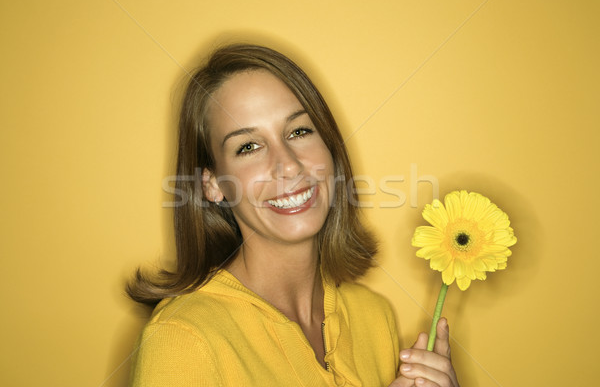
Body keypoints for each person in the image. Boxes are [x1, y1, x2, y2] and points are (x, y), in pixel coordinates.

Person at [128, 44, 460, 386]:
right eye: (248, 147)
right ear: (213, 185)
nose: (287, 164)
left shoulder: (374, 316)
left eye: (299, 131)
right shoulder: (182, 339)